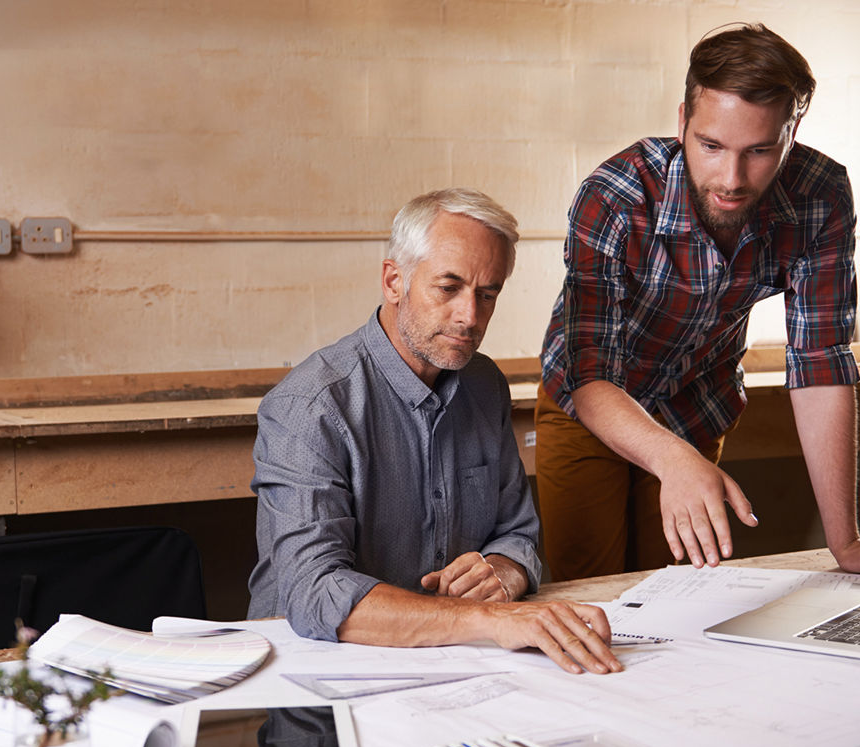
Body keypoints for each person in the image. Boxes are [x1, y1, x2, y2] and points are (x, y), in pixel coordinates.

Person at [536, 23, 860, 581]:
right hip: (590, 403)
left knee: (672, 592)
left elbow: (820, 362)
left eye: (760, 151)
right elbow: (590, 371)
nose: (732, 179)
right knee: (593, 590)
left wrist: (847, 542)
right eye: (711, 146)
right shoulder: (616, 196)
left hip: (697, 406)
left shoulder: (821, 196)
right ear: (682, 123)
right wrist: (671, 457)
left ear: (791, 132)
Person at [248, 188, 622, 675]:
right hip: (314, 671)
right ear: (394, 281)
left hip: (452, 663)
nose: (470, 317)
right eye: (448, 288)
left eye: (487, 295)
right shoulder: (310, 407)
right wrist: (489, 619)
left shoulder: (485, 385)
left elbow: (518, 535)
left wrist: (502, 573)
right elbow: (317, 592)